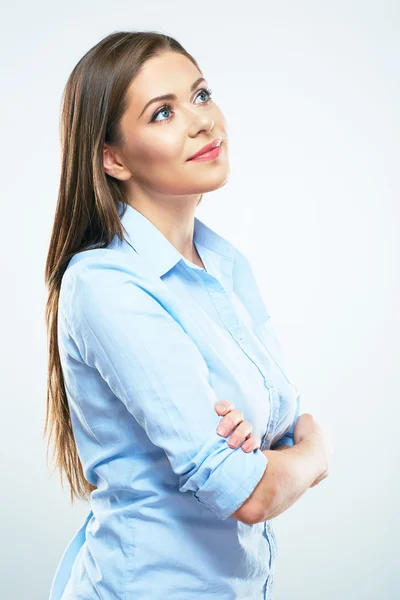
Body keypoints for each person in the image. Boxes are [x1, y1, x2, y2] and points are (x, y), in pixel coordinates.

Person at [44, 30, 333, 600]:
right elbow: (246, 492)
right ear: (112, 157)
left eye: (200, 95)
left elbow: (279, 423)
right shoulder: (104, 285)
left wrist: (266, 447)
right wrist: (316, 454)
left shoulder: (226, 263)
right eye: (162, 113)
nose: (202, 122)